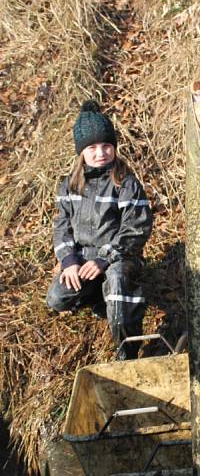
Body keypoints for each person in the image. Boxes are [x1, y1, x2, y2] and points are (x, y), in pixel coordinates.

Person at [46, 100, 152, 361]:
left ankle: (126, 353)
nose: (101, 152)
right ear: (81, 152)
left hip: (120, 257)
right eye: (92, 147)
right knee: (57, 298)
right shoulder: (69, 185)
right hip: (84, 260)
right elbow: (61, 227)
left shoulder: (125, 182)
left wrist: (105, 258)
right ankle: (98, 298)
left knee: (116, 282)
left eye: (106, 146)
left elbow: (136, 228)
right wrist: (69, 261)